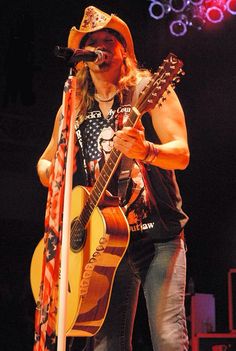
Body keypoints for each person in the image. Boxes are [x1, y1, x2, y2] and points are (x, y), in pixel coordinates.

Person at [36, 5, 190, 351]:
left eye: (109, 40)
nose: (101, 48)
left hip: (158, 239)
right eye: (94, 43)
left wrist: (146, 150)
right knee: (107, 344)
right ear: (83, 56)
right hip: (104, 244)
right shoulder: (73, 105)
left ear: (124, 52)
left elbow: (181, 153)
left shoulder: (148, 89)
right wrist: (52, 174)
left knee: (166, 338)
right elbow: (46, 163)